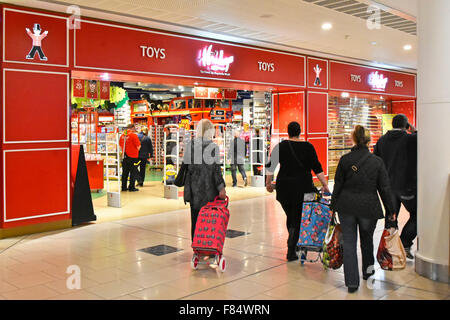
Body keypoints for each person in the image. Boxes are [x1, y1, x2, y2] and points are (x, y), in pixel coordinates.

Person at [331, 125, 396, 293]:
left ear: (353, 139)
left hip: (346, 207)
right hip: (368, 208)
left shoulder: (345, 160)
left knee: (350, 244)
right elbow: (385, 188)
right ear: (369, 140)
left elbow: (338, 185)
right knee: (367, 241)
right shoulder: (377, 162)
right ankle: (368, 272)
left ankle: (352, 283)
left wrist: (333, 206)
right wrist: (391, 210)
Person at [266, 121, 330, 261]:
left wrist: (268, 183)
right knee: (297, 217)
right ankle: (292, 247)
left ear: (288, 132)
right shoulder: (308, 147)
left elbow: (270, 166)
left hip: (284, 189)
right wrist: (325, 184)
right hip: (303, 188)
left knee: (292, 215)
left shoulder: (281, 146)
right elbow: (317, 167)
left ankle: (293, 244)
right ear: (299, 132)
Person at [374, 114, 417, 259]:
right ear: (406, 126)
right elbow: (425, 140)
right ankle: (404, 242)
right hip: (407, 187)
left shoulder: (381, 141)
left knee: (391, 217)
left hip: (387, 187)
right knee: (418, 215)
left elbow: (376, 163)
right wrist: (414, 131)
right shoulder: (411, 138)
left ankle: (389, 250)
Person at [183, 119, 227, 241]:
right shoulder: (213, 147)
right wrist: (221, 188)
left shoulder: (191, 145)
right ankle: (208, 247)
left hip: (194, 190)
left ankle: (196, 247)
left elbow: (186, 166)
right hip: (209, 190)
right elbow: (216, 170)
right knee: (209, 221)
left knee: (195, 220)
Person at [119, 124, 141, 192]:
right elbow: (138, 146)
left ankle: (123, 187)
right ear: (132, 128)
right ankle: (131, 187)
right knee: (133, 172)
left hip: (124, 156)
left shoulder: (122, 135)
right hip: (133, 156)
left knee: (125, 172)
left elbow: (120, 145)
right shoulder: (133, 135)